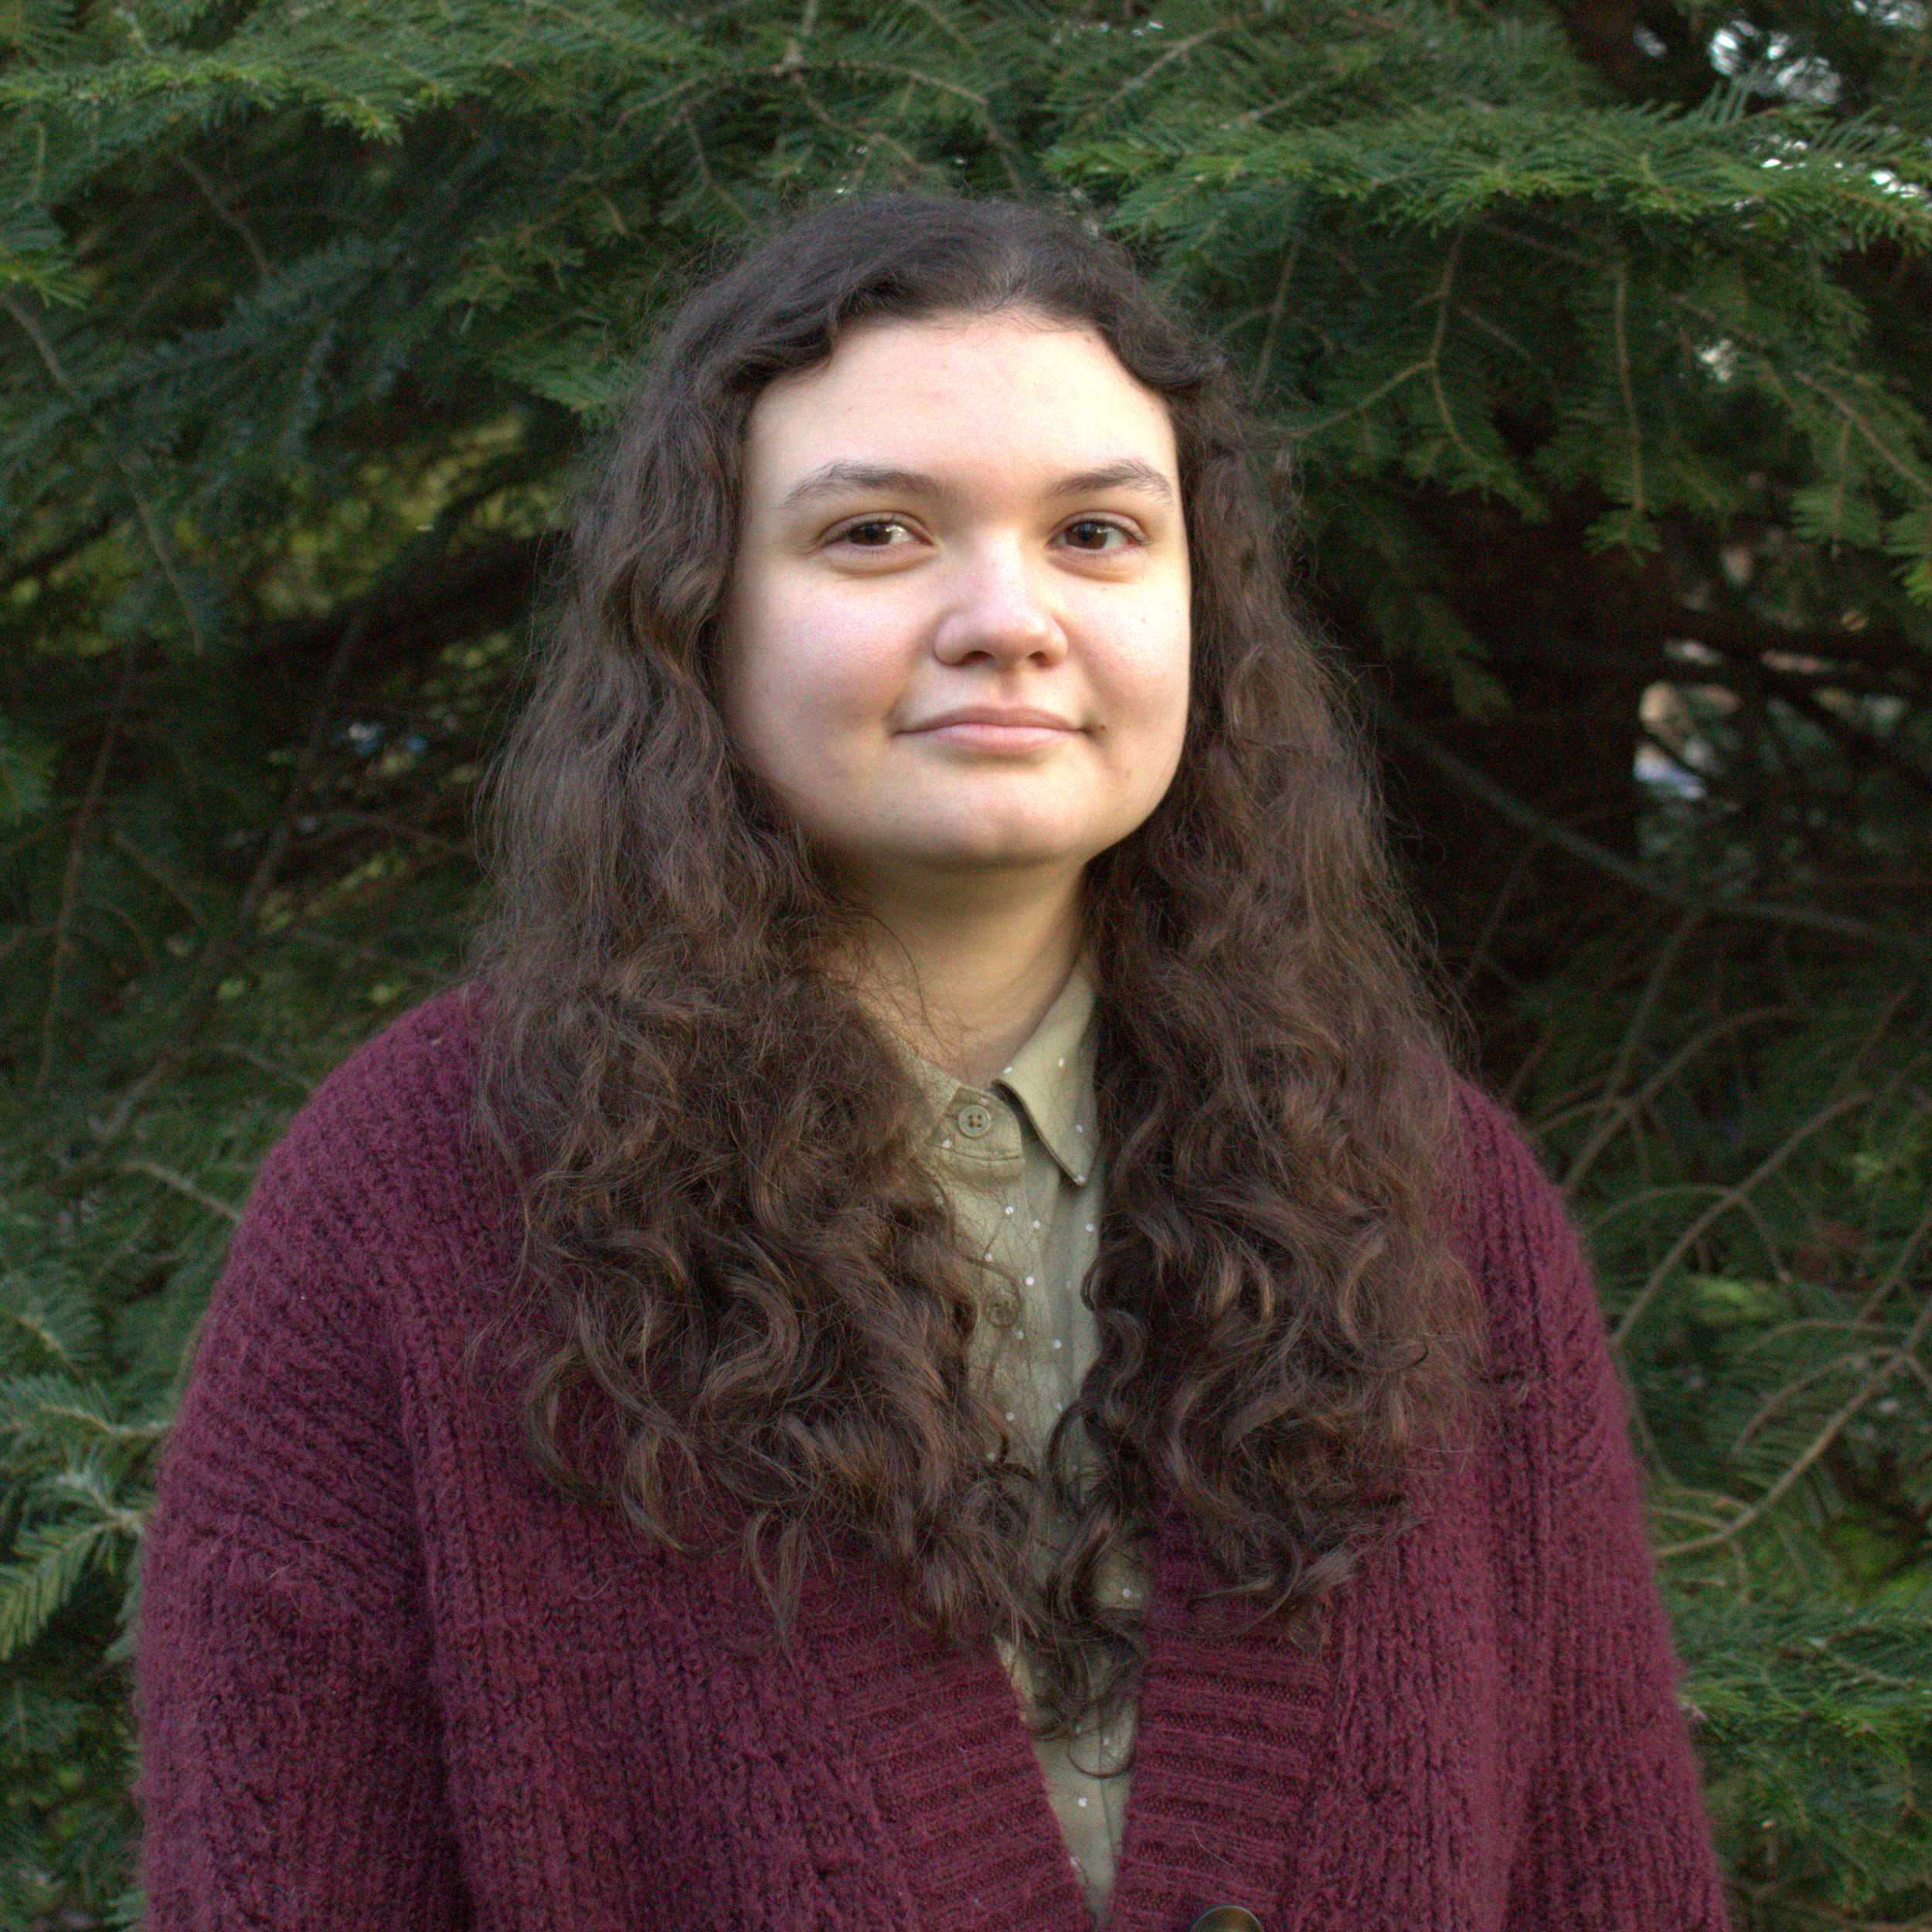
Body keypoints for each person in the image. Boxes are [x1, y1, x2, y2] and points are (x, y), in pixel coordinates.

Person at [133, 193, 1733, 1932]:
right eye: (879, 531)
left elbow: (1611, 1874)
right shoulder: (424, 1196)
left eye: (1099, 534)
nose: (1007, 617)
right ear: (701, 613)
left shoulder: (1431, 1202)